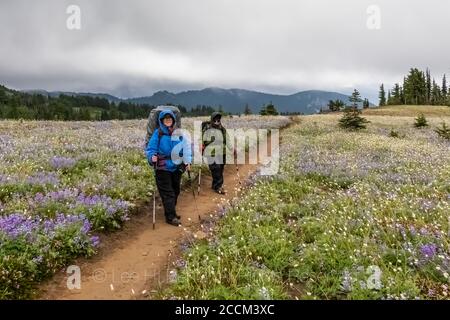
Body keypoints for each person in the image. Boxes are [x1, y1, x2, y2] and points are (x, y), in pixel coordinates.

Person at [146, 110, 192, 226]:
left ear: (173, 120)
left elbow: (186, 148)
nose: (168, 120)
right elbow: (151, 148)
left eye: (170, 118)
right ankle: (170, 217)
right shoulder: (158, 133)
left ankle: (170, 211)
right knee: (168, 193)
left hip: (176, 167)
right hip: (162, 167)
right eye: (165, 119)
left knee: (176, 191)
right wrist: (152, 157)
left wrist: (187, 161)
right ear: (161, 121)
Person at [201, 112, 233, 195]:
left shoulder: (222, 129)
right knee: (216, 169)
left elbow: (227, 140)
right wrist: (201, 145)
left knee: (220, 169)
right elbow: (200, 138)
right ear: (212, 119)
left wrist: (232, 149)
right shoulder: (207, 129)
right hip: (210, 152)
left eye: (218, 119)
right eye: (215, 119)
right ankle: (219, 187)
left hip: (221, 152)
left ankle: (215, 185)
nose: (216, 121)